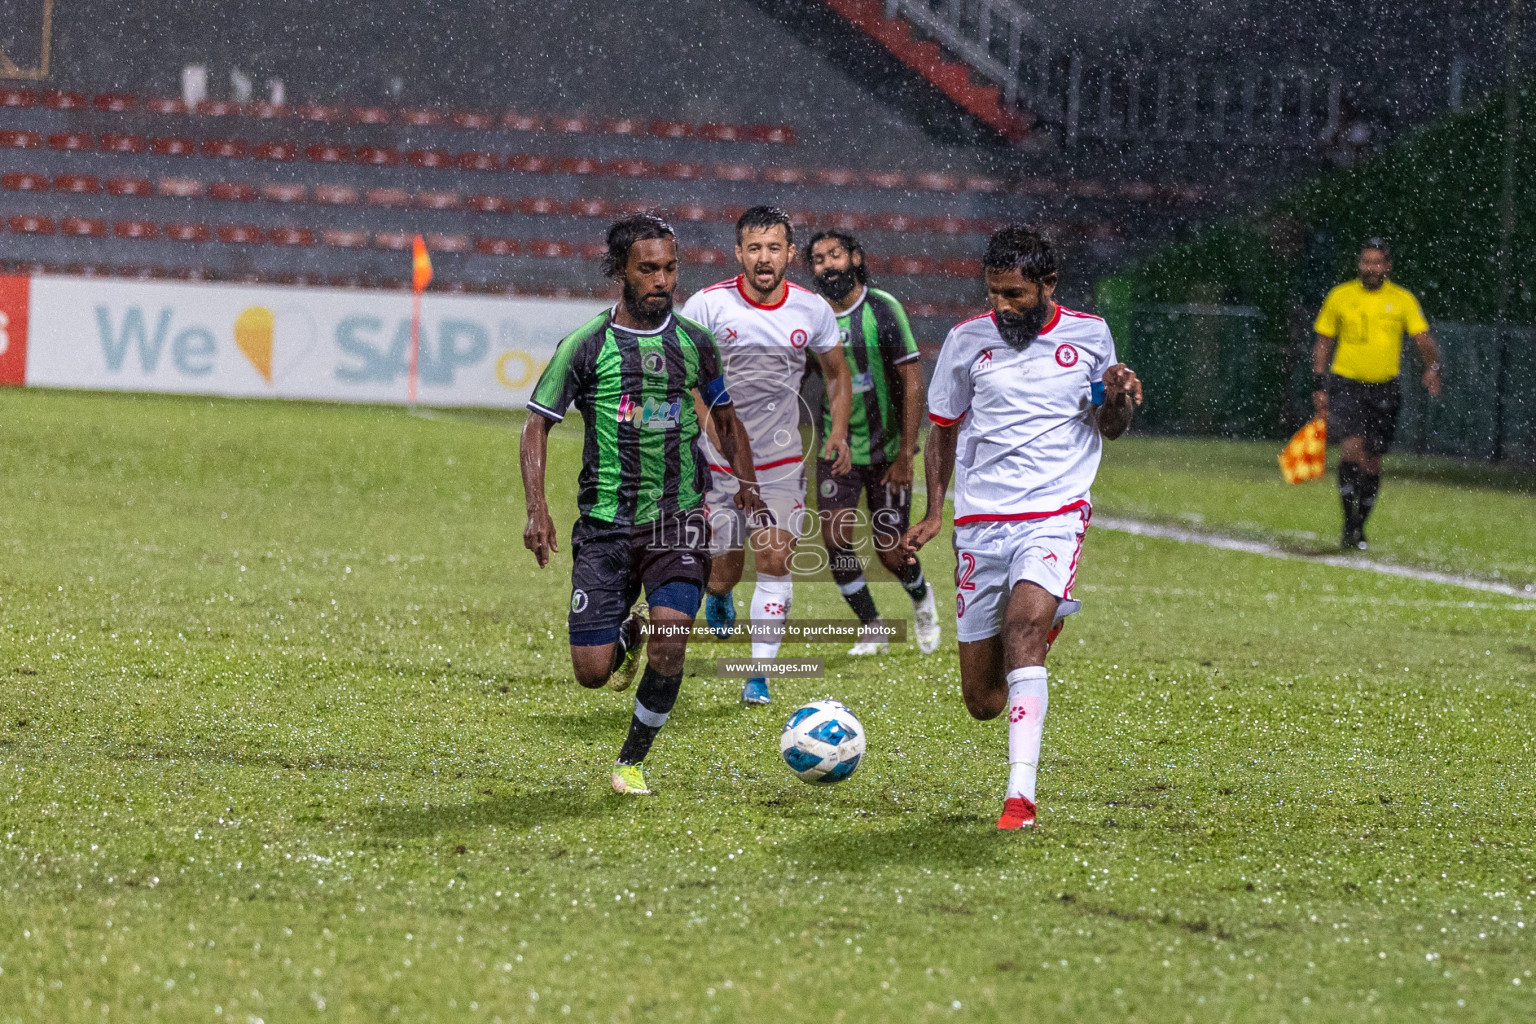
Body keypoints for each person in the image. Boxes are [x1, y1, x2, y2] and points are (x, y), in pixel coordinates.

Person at [900, 226, 1142, 830]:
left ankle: (1020, 798)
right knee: (982, 700)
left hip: (1055, 513)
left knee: (1024, 628)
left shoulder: (1090, 337)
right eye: (993, 294)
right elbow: (944, 428)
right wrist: (934, 511)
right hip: (980, 524)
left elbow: (1109, 424)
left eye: (1014, 294)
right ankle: (1036, 631)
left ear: (1047, 284)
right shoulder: (966, 342)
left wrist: (1120, 401)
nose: (1002, 307)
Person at [520, 214, 764, 795]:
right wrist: (537, 509)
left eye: (670, 268)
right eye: (648, 269)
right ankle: (625, 634)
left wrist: (750, 487)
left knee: (674, 636)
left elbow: (726, 419)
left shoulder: (694, 344)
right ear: (620, 272)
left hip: (678, 519)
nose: (662, 280)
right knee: (591, 673)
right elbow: (536, 427)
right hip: (605, 526)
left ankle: (631, 760)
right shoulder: (585, 345)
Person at [680, 206, 853, 706]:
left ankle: (758, 674)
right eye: (754, 247)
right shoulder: (708, 306)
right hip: (717, 458)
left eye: (773, 247)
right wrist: (716, 436)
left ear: (789, 254)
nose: (763, 257)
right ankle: (717, 596)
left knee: (776, 560)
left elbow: (837, 373)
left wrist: (836, 431)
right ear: (739, 253)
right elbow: (691, 379)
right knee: (723, 570)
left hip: (779, 460)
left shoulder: (812, 309)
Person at [805, 230, 940, 656]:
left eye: (835, 255)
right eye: (818, 259)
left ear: (856, 258)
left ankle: (921, 599)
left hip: (886, 453)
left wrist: (906, 454)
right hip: (838, 448)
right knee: (834, 536)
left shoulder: (883, 309)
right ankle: (873, 625)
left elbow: (913, 379)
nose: (828, 265)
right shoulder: (812, 317)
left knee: (891, 551)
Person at [1312, 238, 1442, 550]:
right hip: (1347, 384)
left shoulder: (1401, 299)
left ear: (1387, 266)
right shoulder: (1340, 296)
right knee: (1351, 453)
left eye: (1376, 262)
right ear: (1359, 264)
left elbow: (1422, 338)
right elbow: (1323, 342)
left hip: (1385, 387)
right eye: (1365, 262)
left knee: (1373, 462)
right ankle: (1347, 523)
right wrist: (1319, 384)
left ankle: (1360, 525)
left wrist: (1432, 367)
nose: (1370, 268)